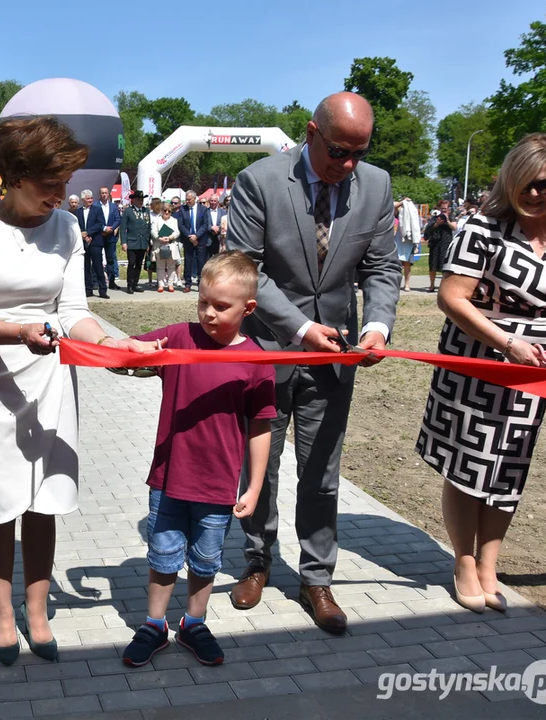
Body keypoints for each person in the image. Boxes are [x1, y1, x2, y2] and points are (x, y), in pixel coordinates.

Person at [0, 116, 157, 666]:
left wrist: (119, 345)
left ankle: (37, 613)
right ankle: (2, 615)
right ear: (14, 176)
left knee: (43, 501)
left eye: (65, 183)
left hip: (49, 378)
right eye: (49, 184)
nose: (61, 195)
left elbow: (74, 313)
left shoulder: (64, 227)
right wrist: (18, 330)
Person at [226, 92, 401, 634]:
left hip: (338, 356)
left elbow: (382, 269)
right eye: (338, 151)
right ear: (311, 132)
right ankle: (257, 561)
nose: (348, 165)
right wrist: (300, 328)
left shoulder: (375, 186)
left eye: (359, 153)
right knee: (262, 466)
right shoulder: (259, 181)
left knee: (321, 472)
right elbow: (245, 269)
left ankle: (316, 576)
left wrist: (376, 326)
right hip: (268, 351)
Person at [416, 133, 546, 614]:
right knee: (468, 464)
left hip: (537, 368)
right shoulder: (481, 228)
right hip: (478, 359)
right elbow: (452, 297)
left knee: (510, 465)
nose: (535, 194)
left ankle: (491, 563)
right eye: (525, 184)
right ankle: (464, 561)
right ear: (510, 181)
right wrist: (506, 342)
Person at [119, 253, 274, 667]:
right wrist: (133, 353)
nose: (208, 312)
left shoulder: (257, 362)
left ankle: (194, 622)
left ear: (248, 309)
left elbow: (261, 428)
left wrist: (254, 486)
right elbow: (122, 359)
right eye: (203, 301)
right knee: (162, 554)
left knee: (206, 560)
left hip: (217, 483)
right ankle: (154, 625)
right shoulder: (179, 338)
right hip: (169, 479)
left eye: (221, 306)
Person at [77, 189, 109, 298]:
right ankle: (88, 290)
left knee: (98, 267)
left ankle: (102, 290)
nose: (90, 200)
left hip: (95, 241)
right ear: (83, 200)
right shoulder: (78, 211)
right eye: (88, 198)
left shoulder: (97, 210)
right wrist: (84, 235)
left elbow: (100, 224)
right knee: (86, 267)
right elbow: (77, 225)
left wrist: (89, 233)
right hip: (83, 243)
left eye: (91, 198)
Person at [120, 190, 150, 293]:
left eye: (142, 199)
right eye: (138, 199)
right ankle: (129, 285)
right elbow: (123, 228)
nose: (140, 201)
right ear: (133, 200)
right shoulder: (128, 211)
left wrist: (148, 242)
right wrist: (124, 242)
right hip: (132, 242)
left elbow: (148, 227)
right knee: (131, 263)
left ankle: (135, 284)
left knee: (139, 263)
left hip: (142, 242)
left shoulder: (146, 211)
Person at [423, 200, 456, 292]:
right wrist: (436, 224)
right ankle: (432, 285)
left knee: (445, 265)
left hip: (446, 243)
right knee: (432, 265)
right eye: (442, 209)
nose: (443, 210)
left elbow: (454, 227)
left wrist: (447, 220)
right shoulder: (435, 218)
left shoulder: (451, 216)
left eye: (445, 209)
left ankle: (443, 286)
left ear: (448, 208)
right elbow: (428, 229)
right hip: (435, 243)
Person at [178, 190, 206, 292]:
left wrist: (196, 236)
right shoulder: (183, 209)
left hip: (200, 240)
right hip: (188, 240)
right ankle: (188, 284)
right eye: (186, 199)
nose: (187, 201)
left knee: (201, 262)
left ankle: (201, 284)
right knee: (188, 262)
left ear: (195, 198)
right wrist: (190, 236)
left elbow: (205, 225)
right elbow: (181, 225)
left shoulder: (203, 209)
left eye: (189, 199)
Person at [96, 186, 122, 290]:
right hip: (99, 235)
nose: (104, 195)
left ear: (108, 194)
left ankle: (112, 282)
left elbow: (117, 219)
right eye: (102, 193)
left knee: (111, 260)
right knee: (97, 260)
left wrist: (111, 228)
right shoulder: (95, 206)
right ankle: (97, 282)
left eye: (106, 193)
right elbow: (94, 220)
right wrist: (103, 228)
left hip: (110, 236)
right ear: (100, 194)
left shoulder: (113, 206)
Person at [151, 204, 182, 292]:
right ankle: (160, 284)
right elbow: (153, 231)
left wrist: (170, 237)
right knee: (160, 266)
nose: (167, 212)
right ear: (161, 211)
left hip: (171, 245)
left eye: (169, 211)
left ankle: (170, 284)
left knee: (171, 267)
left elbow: (177, 232)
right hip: (160, 245)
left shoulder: (174, 220)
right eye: (165, 210)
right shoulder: (156, 220)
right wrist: (159, 238)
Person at [395, 197, 421, 292]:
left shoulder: (412, 211)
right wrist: (402, 202)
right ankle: (396, 283)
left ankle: (407, 284)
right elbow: (393, 205)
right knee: (397, 263)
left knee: (407, 264)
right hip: (398, 238)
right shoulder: (398, 211)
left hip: (408, 240)